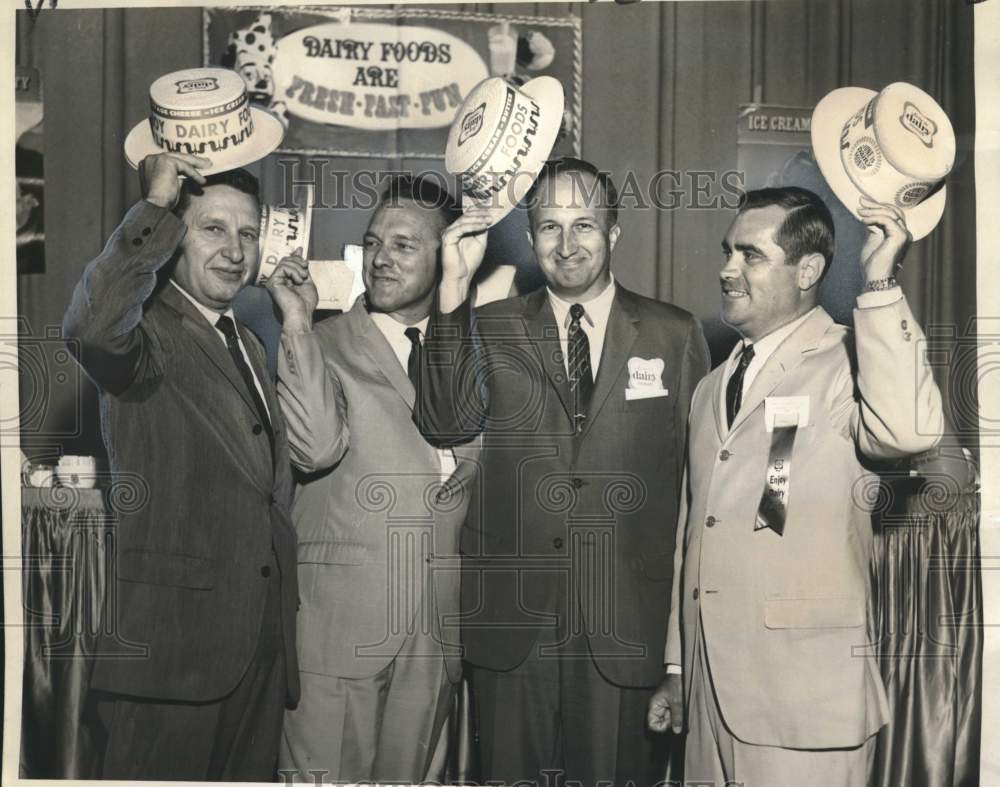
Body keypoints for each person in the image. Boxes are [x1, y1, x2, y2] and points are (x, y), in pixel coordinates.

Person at [416, 157, 711, 786]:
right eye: (550, 227)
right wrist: (451, 290)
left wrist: (680, 658)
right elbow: (443, 421)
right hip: (512, 630)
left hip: (624, 630)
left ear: (614, 233)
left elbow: (697, 494)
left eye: (584, 225)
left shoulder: (673, 334)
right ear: (529, 237)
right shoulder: (487, 326)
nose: (568, 244)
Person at [647, 187, 944, 785]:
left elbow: (910, 432)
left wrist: (881, 285)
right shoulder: (711, 387)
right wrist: (679, 666)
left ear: (808, 270)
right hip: (710, 703)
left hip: (803, 703)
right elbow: (693, 534)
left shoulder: (847, 366)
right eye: (728, 251)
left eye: (750, 255)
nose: (727, 269)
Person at [62, 152, 299, 781]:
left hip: (257, 654)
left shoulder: (247, 342)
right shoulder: (143, 330)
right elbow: (89, 328)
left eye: (247, 233)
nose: (234, 250)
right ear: (174, 240)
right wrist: (157, 208)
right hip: (169, 659)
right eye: (213, 229)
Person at [269, 175, 479, 783]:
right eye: (374, 242)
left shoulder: (468, 356)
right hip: (342, 628)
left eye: (404, 244)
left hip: (435, 635)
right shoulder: (321, 342)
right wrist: (299, 325)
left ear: (447, 256)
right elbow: (314, 448)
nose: (382, 258)